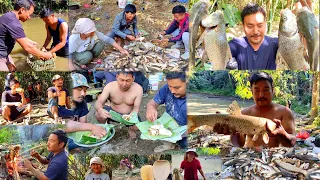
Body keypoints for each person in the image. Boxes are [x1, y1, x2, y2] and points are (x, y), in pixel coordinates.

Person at [213, 72, 296, 148]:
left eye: (266, 90)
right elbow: (239, 144)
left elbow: (292, 142)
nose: (261, 95)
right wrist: (234, 132)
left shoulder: (285, 112)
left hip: (272, 159)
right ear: (252, 92)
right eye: (256, 90)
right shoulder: (244, 114)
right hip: (249, 157)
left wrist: (282, 134)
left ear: (272, 90)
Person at [0, 0, 53, 72]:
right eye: (29, 14)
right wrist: (44, 55)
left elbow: (14, 34)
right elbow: (28, 48)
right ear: (22, 10)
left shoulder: (9, 16)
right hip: (1, 55)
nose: (29, 17)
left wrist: (28, 41)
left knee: (13, 69)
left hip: (4, 53)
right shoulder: (13, 22)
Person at [64, 73, 107, 150]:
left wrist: (92, 133)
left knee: (96, 140)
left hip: (75, 135)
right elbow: (64, 126)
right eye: (79, 89)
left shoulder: (82, 103)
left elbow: (83, 124)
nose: (83, 94)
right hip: (61, 137)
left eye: (85, 90)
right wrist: (92, 127)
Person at [228, 3, 278, 70]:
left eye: (260, 26)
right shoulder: (235, 45)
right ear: (243, 26)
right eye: (250, 26)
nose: (255, 32)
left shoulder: (276, 44)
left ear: (265, 24)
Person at [146, 72, 187, 152]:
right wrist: (150, 108)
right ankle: (169, 144)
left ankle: (174, 141)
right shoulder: (166, 89)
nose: (172, 91)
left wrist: (177, 134)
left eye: (176, 88)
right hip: (168, 123)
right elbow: (152, 103)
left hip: (186, 130)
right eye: (170, 86)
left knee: (186, 144)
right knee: (153, 126)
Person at [95, 71, 143, 139]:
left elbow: (136, 108)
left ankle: (131, 129)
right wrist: (100, 109)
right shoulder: (110, 86)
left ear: (133, 79)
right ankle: (107, 128)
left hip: (129, 115)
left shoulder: (138, 89)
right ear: (117, 77)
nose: (124, 84)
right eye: (121, 80)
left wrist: (131, 116)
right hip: (113, 113)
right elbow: (99, 102)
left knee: (138, 127)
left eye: (128, 80)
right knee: (98, 114)